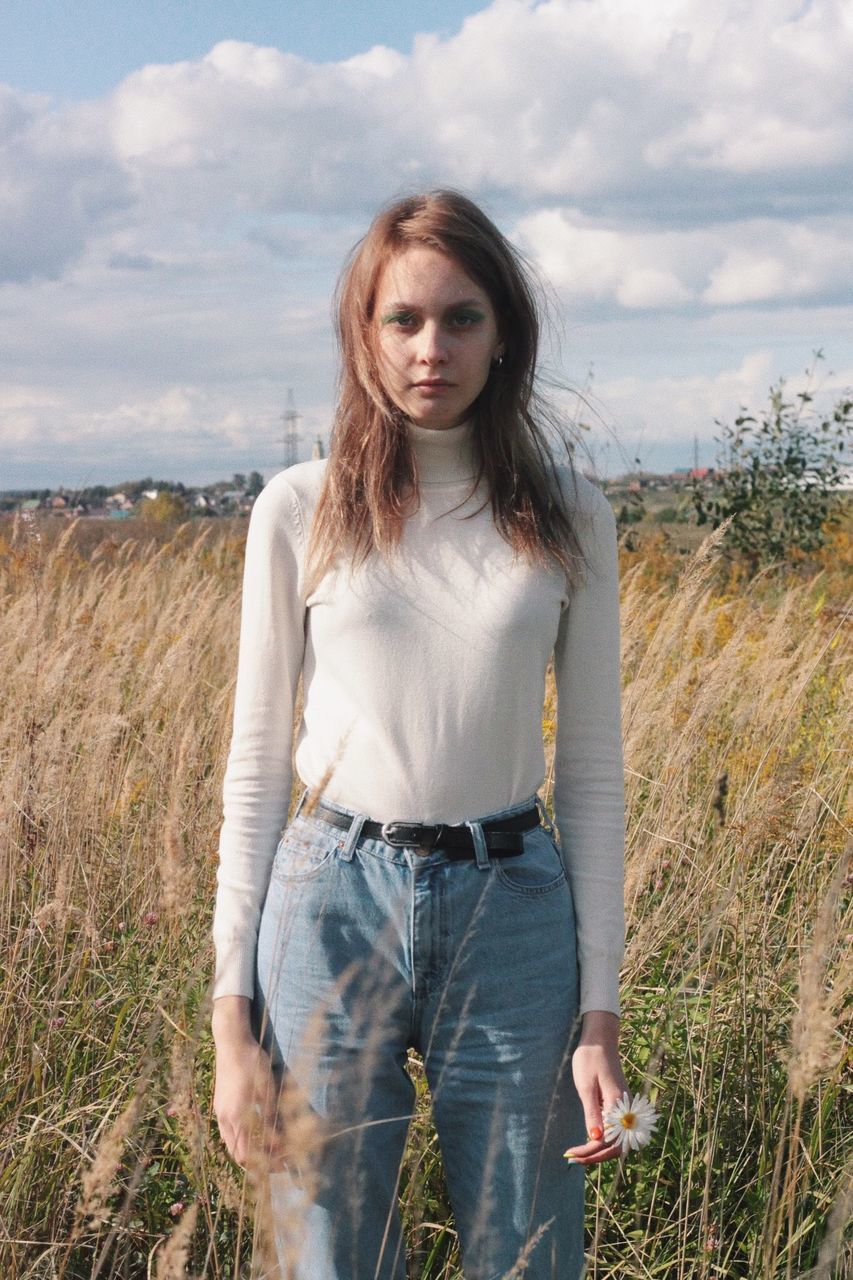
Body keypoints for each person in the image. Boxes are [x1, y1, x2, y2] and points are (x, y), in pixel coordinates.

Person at [211, 189, 628, 1280]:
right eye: (402, 319)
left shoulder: (569, 511)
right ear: (363, 334)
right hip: (329, 897)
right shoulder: (299, 507)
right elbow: (255, 764)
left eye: (462, 317)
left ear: (505, 336)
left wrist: (600, 1013)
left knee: (527, 1247)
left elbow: (589, 774)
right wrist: (228, 1018)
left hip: (515, 907)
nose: (430, 347)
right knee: (332, 1251)